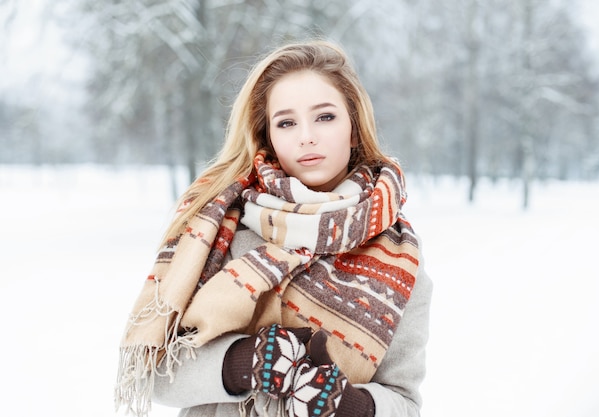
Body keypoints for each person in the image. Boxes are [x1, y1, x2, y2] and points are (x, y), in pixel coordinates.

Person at [115, 39, 432, 417]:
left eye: (325, 117)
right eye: (286, 122)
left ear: (353, 127)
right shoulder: (220, 225)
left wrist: (349, 404)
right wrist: (243, 362)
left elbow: (405, 401)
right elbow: (154, 372)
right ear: (269, 136)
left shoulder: (397, 258)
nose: (306, 136)